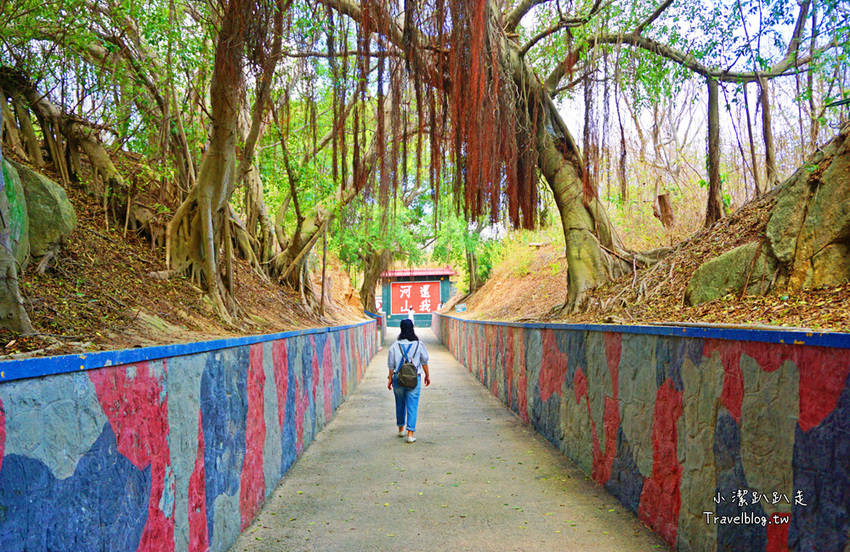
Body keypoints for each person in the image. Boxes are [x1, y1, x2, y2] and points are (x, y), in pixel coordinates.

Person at [387, 319, 430, 443]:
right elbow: (424, 361)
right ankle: (410, 434)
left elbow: (391, 364)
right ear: (412, 328)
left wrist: (390, 379)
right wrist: (427, 375)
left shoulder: (395, 345)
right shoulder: (418, 344)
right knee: (412, 405)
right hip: (414, 379)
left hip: (398, 378)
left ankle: (401, 429)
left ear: (401, 328)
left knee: (399, 403)